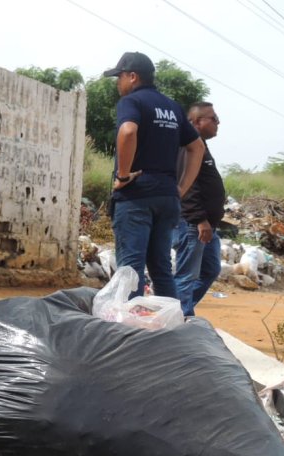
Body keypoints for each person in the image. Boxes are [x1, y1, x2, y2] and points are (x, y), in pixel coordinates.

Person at [103, 52, 205, 299]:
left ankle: (131, 332)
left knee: (131, 269)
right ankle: (170, 327)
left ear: (133, 76)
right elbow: (197, 147)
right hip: (168, 198)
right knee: (161, 269)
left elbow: (128, 131)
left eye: (120, 77)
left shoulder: (132, 102)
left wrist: (124, 176)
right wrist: (180, 188)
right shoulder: (172, 107)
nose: (118, 83)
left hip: (137, 197)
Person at [173, 102, 227, 316]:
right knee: (187, 275)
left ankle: (175, 311)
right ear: (196, 122)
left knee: (210, 270)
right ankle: (180, 318)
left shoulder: (200, 145)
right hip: (193, 224)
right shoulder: (188, 146)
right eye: (213, 118)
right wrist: (199, 220)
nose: (218, 123)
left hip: (207, 225)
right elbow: (187, 185)